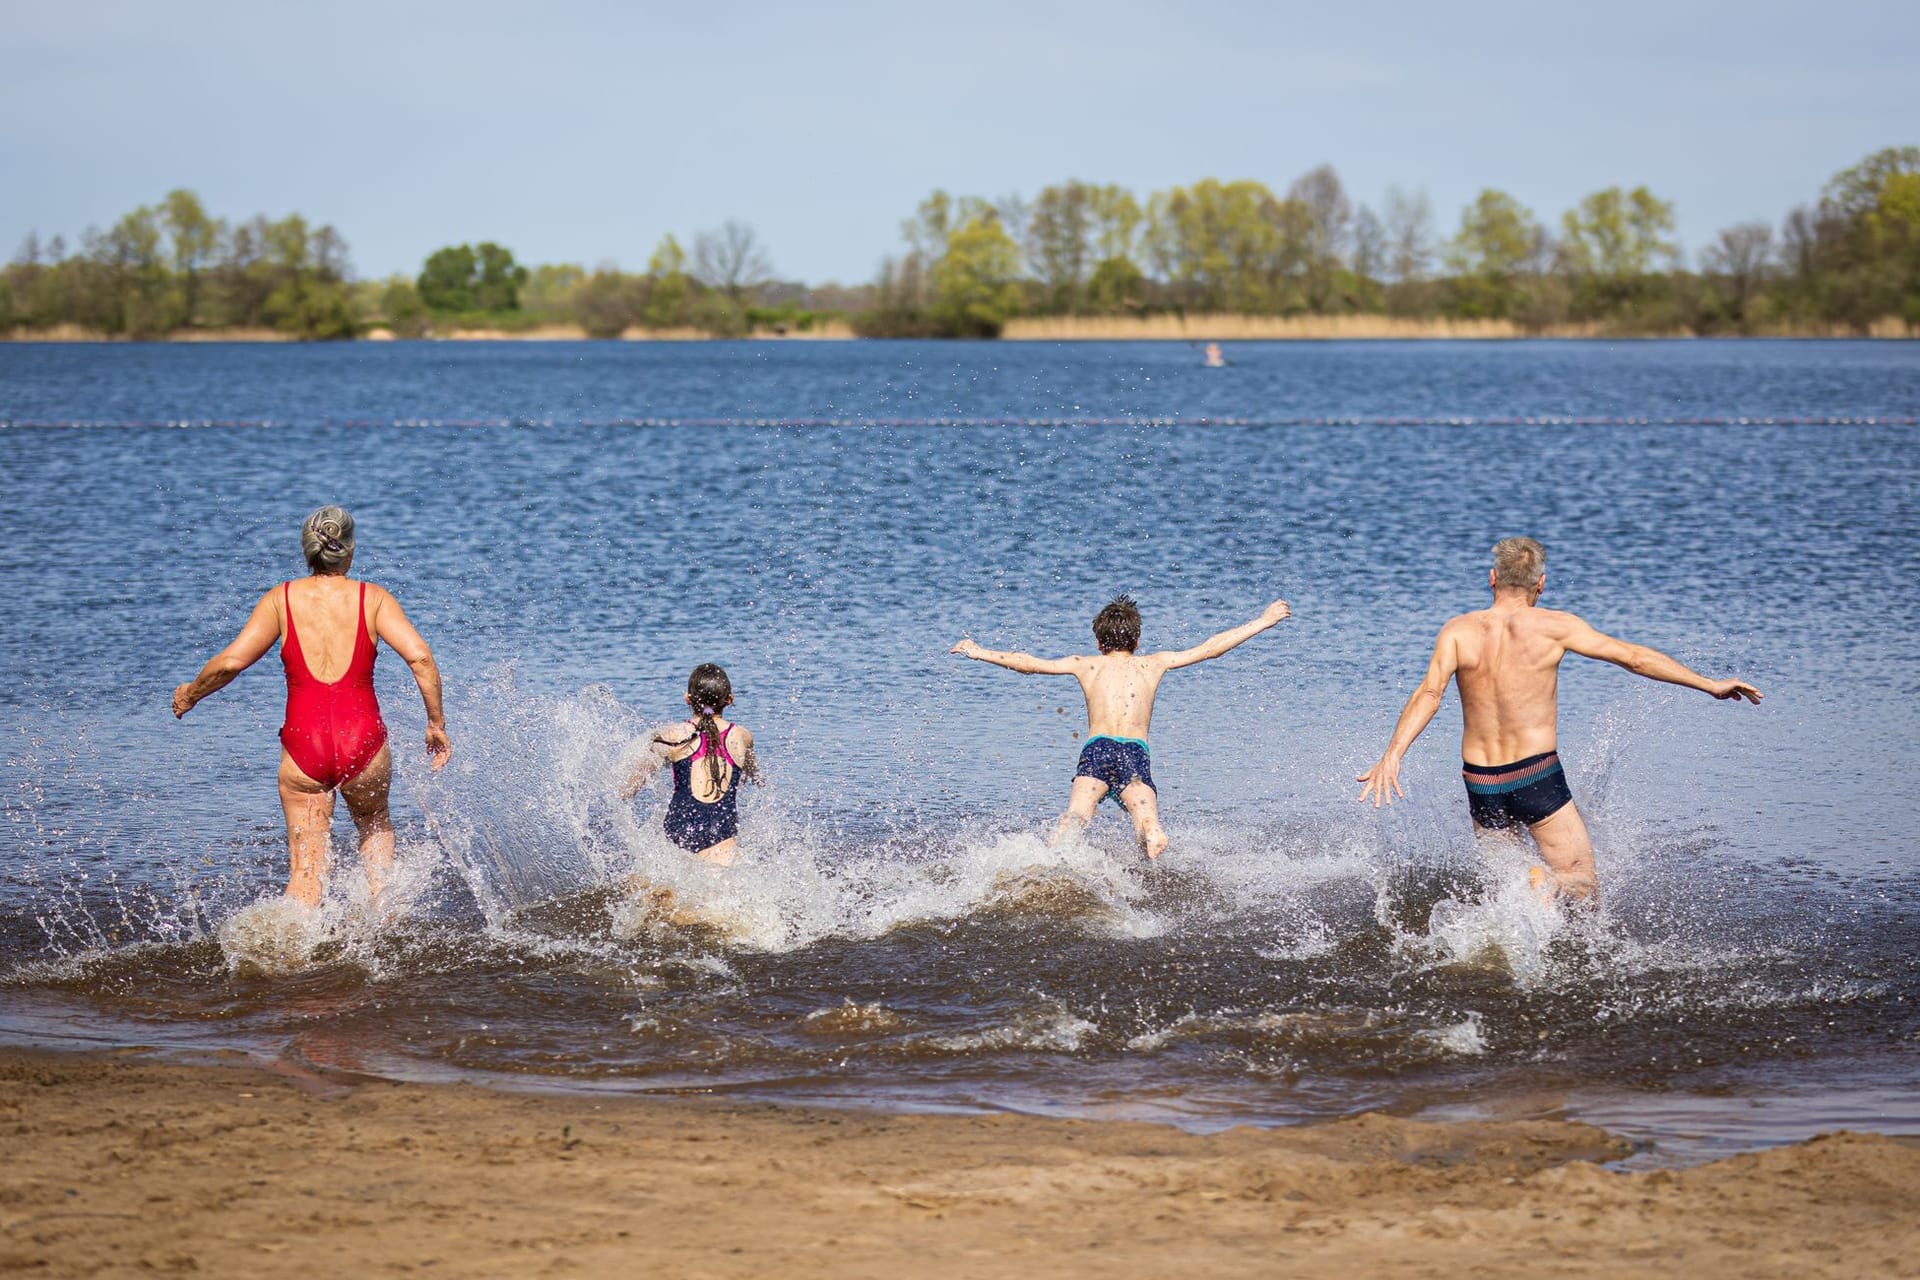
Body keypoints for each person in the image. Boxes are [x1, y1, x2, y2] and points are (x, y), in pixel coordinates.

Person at [1356, 537, 1761, 901]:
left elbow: (1430, 693)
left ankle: (1519, 936)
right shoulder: (1555, 626)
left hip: (1480, 781)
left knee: (1509, 886)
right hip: (1536, 775)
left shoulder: (1457, 631)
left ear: (1492, 578)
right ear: (1541, 584)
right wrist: (1709, 684)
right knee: (1581, 882)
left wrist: (1393, 754)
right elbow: (1634, 658)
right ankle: (1554, 900)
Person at [172, 507, 452, 908]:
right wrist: (436, 723)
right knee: (373, 825)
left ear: (307, 551)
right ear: (350, 551)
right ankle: (383, 923)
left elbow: (231, 662)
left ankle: (292, 960)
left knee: (306, 875)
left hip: (304, 747)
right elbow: (421, 658)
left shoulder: (280, 600)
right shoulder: (372, 599)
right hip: (364, 742)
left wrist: (190, 694)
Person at [951, 594, 1290, 858]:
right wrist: (1263, 621)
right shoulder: (1153, 664)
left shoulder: (1086, 665)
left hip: (1096, 750)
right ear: (1137, 641)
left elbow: (1027, 664)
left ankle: (1057, 848)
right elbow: (1209, 649)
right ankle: (1153, 832)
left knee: (1077, 815)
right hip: (1133, 753)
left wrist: (977, 651)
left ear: (1099, 642)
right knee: (1144, 817)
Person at [621, 664, 760, 866]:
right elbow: (755, 775)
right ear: (730, 699)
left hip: (679, 833)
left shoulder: (673, 735)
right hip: (721, 837)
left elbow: (630, 787)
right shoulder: (742, 736)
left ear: (688, 698)